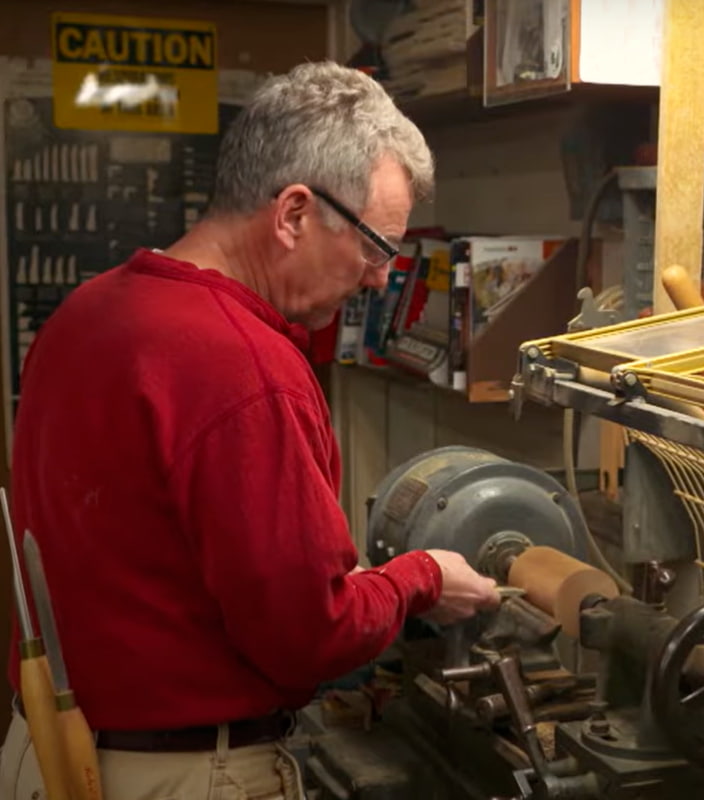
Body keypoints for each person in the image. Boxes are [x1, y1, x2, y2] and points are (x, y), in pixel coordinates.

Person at [0, 61, 501, 799]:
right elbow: (311, 639)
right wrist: (419, 579)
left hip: (40, 754)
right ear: (294, 213)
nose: (376, 279)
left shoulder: (84, 313)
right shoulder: (244, 366)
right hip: (179, 775)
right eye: (375, 248)